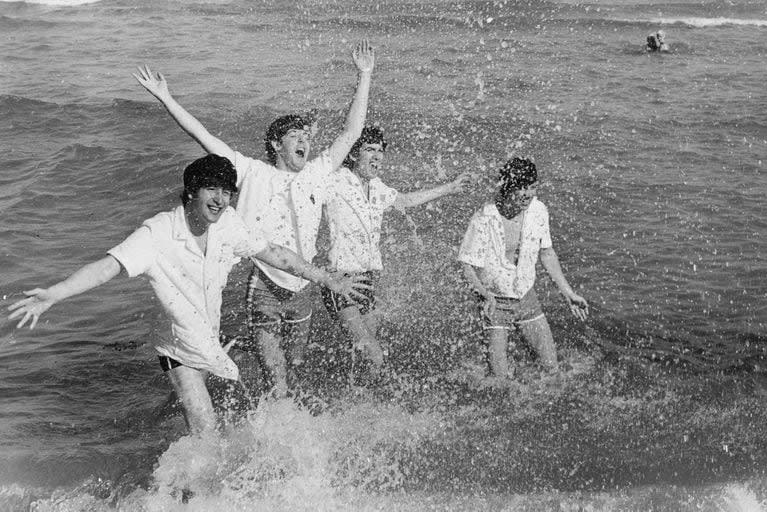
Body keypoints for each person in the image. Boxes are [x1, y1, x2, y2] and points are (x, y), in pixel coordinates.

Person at [7, 155, 367, 433]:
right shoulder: (158, 234)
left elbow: (273, 253)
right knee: (204, 421)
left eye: (227, 192)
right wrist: (53, 294)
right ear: (192, 191)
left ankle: (153, 420)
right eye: (212, 189)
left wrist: (326, 278)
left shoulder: (226, 224)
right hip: (177, 347)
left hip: (207, 335)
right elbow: (108, 267)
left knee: (193, 401)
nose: (220, 199)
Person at [133, 39, 375, 397]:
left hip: (303, 286)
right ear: (276, 144)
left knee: (293, 367)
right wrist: (166, 98)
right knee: (276, 384)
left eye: (306, 136)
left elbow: (351, 132)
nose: (304, 141)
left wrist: (365, 75)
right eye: (295, 136)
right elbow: (203, 137)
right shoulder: (249, 171)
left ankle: (243, 346)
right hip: (264, 286)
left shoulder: (318, 172)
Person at [320, 126, 471, 381]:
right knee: (374, 354)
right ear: (354, 153)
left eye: (380, 151)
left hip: (366, 280)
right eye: (370, 150)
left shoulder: (377, 187)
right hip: (340, 280)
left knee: (362, 355)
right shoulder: (334, 180)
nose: (377, 156)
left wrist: (448, 189)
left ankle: (349, 399)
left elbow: (405, 201)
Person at [457, 157, 588, 380]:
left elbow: (547, 253)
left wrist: (568, 293)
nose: (528, 193)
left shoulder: (538, 210)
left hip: (526, 297)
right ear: (509, 186)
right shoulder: (484, 218)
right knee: (498, 383)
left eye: (533, 187)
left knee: (551, 372)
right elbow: (466, 266)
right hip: (494, 302)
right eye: (522, 187)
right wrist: (483, 295)